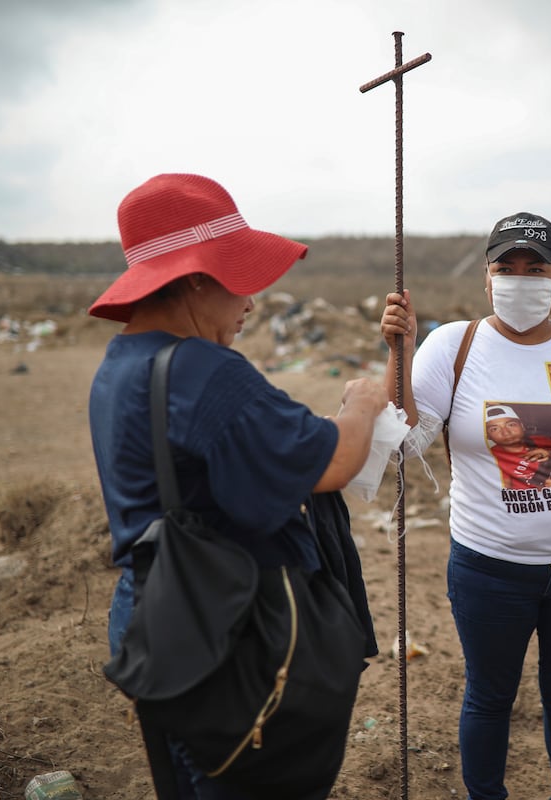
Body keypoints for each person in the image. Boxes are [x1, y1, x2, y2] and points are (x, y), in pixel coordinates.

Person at [87, 173, 387, 800]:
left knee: (192, 776)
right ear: (195, 278)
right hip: (227, 628)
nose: (251, 301)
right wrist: (360, 404)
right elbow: (332, 462)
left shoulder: (118, 367)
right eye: (238, 279)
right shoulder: (204, 370)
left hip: (154, 612)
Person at [380, 212, 551, 800]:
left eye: (536, 268)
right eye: (508, 268)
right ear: (487, 277)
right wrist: (398, 353)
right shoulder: (454, 346)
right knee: (489, 696)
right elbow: (404, 444)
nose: (521, 280)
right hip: (488, 569)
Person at [485, 403, 551, 489]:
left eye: (511, 425)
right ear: (488, 436)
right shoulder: (491, 458)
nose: (506, 432)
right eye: (494, 429)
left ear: (522, 426)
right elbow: (502, 493)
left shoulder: (541, 440)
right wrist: (541, 487)